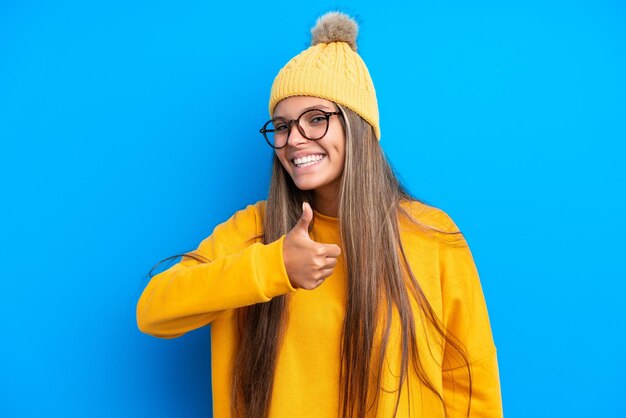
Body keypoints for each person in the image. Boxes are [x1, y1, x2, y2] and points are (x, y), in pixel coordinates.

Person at [137, 11, 503, 418]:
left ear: (357, 127)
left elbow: (470, 383)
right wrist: (273, 266)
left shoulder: (431, 234)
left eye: (316, 119)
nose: (294, 139)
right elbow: (153, 310)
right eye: (281, 125)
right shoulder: (253, 232)